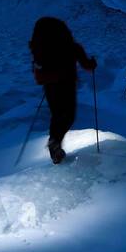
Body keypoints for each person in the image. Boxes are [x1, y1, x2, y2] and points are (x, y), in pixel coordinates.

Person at [28, 17, 96, 164]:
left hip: (50, 86)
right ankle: (55, 142)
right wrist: (92, 63)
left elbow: (38, 72)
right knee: (68, 116)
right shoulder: (73, 47)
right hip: (67, 85)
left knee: (57, 115)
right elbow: (87, 65)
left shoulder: (42, 50)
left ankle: (55, 147)